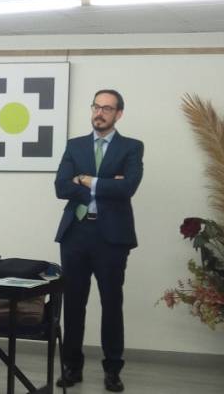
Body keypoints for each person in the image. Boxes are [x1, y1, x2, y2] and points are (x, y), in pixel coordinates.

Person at [54, 89, 144, 392]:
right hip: (76, 234)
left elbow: (127, 188)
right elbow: (60, 187)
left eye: (107, 108)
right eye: (96, 106)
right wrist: (105, 185)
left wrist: (85, 179)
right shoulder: (75, 145)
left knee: (111, 303)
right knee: (74, 303)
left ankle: (113, 369)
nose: (99, 113)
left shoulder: (131, 147)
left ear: (119, 114)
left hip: (112, 237)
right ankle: (72, 366)